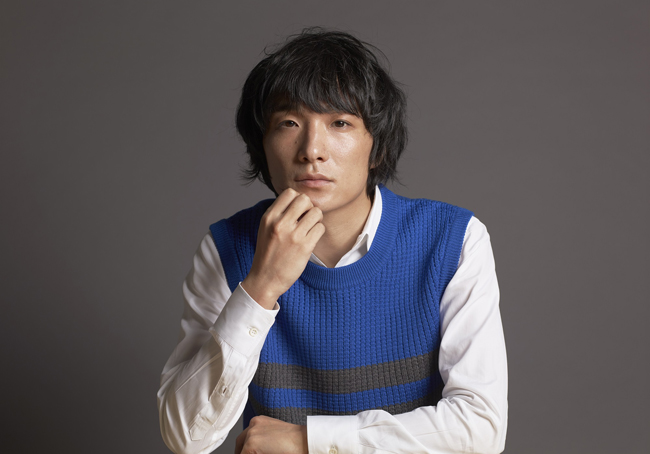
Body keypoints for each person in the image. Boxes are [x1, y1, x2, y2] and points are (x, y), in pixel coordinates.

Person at [158, 29, 508, 454]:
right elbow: (187, 438)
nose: (312, 150)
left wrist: (307, 440)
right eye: (289, 123)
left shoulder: (452, 240)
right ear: (262, 146)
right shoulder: (226, 247)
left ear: (377, 147)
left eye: (339, 123)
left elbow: (480, 429)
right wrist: (261, 288)